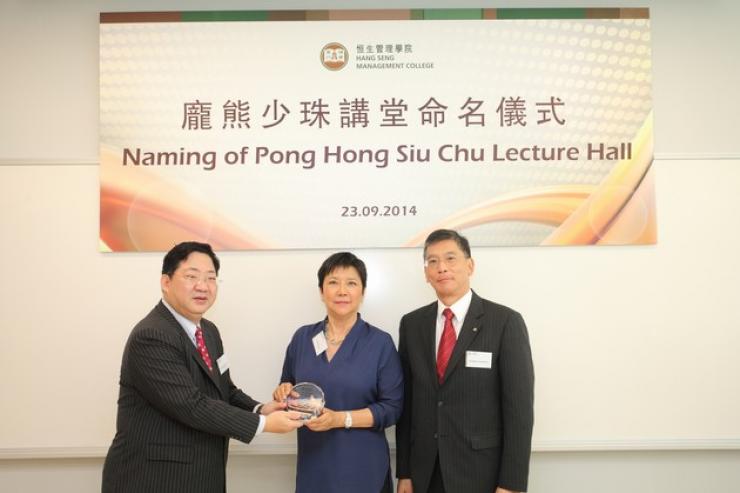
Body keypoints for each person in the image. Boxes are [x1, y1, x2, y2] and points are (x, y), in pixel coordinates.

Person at [102, 241, 304, 493]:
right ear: (166, 282)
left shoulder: (208, 331)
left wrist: (261, 409)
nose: (202, 286)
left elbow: (224, 390)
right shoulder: (152, 335)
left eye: (210, 278)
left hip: (200, 475)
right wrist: (263, 425)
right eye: (191, 276)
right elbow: (191, 405)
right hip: (154, 479)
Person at [395, 229, 535, 493]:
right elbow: (408, 404)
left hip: (482, 473)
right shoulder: (412, 324)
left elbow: (519, 412)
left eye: (450, 258)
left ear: (470, 266)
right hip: (425, 473)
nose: (441, 268)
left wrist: (512, 484)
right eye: (432, 261)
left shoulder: (504, 322)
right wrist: (405, 472)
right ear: (426, 273)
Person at [273, 252, 403, 493]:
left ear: (362, 292)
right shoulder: (302, 338)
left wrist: (340, 419)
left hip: (364, 469)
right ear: (321, 291)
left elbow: (392, 408)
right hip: (314, 466)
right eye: (333, 282)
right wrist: (283, 391)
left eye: (351, 283)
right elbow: (288, 384)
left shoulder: (380, 342)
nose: (342, 291)